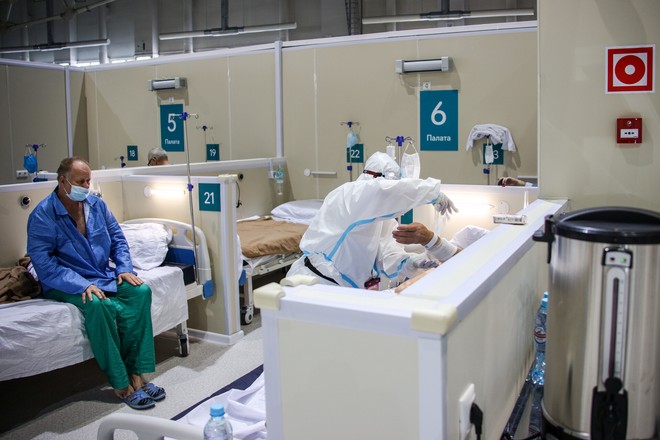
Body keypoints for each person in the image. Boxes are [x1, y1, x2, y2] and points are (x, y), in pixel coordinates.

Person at [26, 157, 165, 410]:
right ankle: (120, 382)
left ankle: (136, 374)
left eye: (89, 181)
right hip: (64, 283)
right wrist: (81, 285)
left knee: (140, 291)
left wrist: (124, 269)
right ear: (63, 181)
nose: (86, 186)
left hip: (100, 275)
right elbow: (44, 265)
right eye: (81, 181)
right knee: (99, 305)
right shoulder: (43, 216)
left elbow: (118, 240)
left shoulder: (97, 206)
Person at [286, 151, 458, 289]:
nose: (392, 189)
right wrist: (431, 192)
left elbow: (388, 255)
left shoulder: (383, 220)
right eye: (391, 184)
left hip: (343, 290)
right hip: (312, 282)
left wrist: (411, 263)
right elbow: (381, 192)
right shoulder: (348, 195)